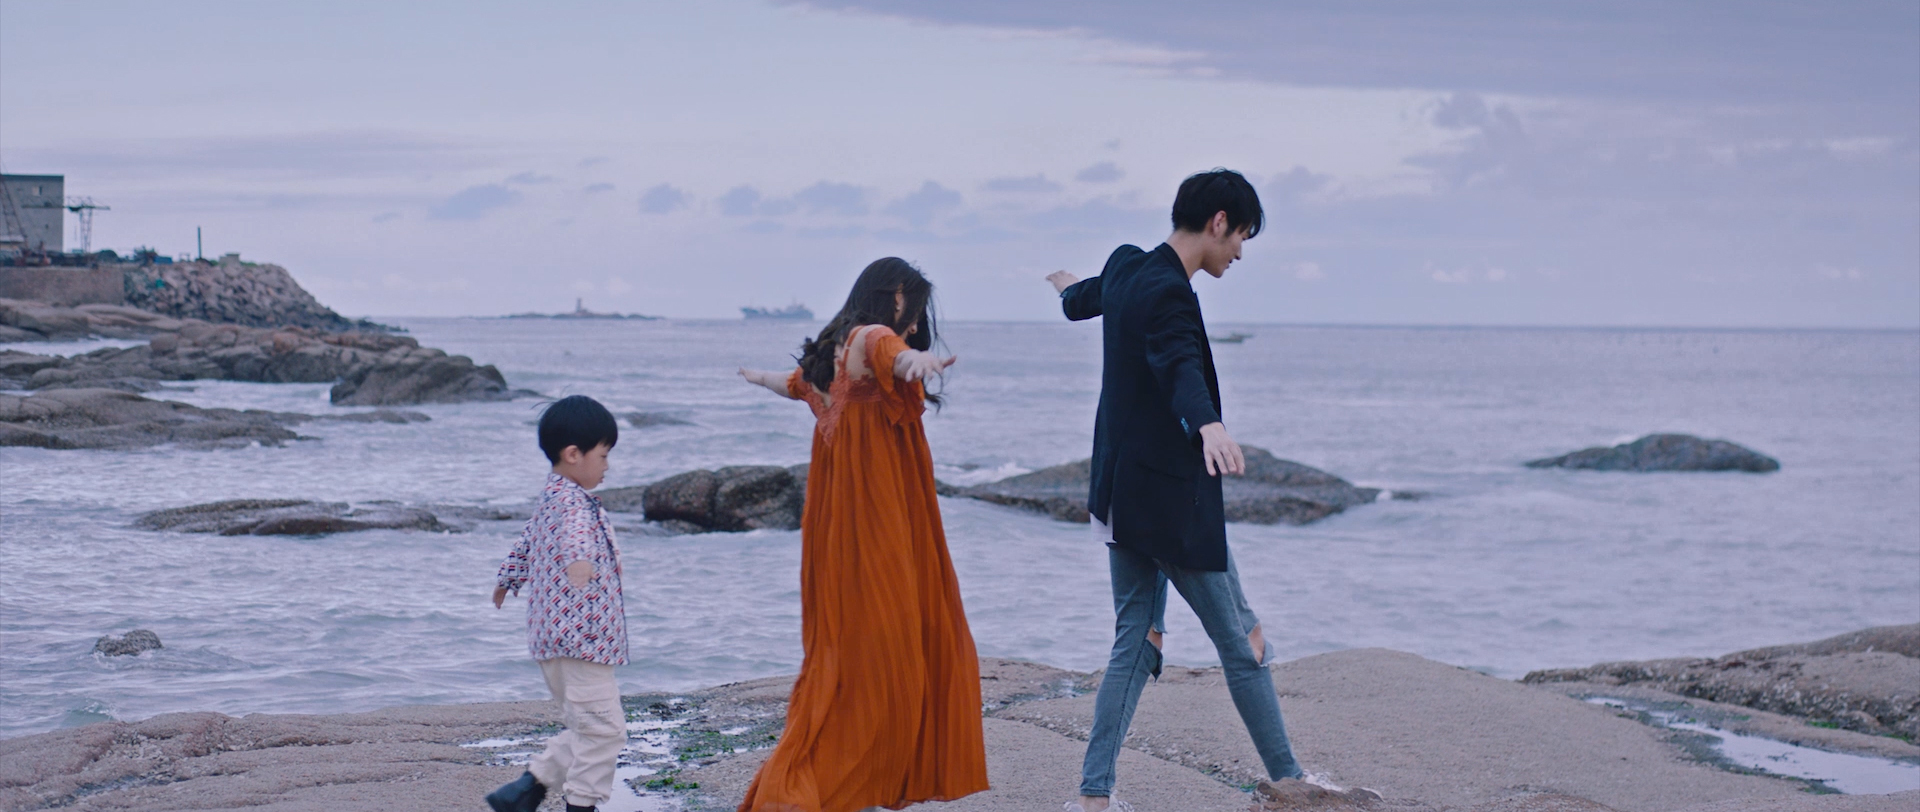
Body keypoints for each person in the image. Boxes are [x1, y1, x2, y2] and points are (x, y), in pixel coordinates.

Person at [1046, 169, 1342, 812]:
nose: (1240, 252)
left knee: (1137, 640)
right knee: (1242, 641)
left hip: (1120, 496)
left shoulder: (1127, 266)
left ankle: (1093, 797)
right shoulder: (1171, 293)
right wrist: (1208, 423)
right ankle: (1292, 782)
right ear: (1218, 222)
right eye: (1241, 237)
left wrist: (1065, 286)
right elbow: (1179, 362)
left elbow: (1084, 301)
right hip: (1171, 502)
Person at [735, 257, 988, 812]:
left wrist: (756, 377)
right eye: (914, 310)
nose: (916, 323)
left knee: (854, 645)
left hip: (843, 525)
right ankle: (853, 777)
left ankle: (864, 775)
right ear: (895, 295)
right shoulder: (872, 337)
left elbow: (792, 385)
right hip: (879, 520)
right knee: (894, 641)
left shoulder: (832, 357)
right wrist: (918, 360)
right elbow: (892, 352)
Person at [486, 395, 628, 812]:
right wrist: (580, 560)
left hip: (556, 642)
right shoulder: (572, 503)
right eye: (603, 455)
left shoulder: (551, 499)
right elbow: (575, 536)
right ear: (573, 454)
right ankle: (575, 804)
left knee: (588, 728)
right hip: (582, 640)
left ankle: (524, 791)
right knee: (603, 732)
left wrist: (507, 578)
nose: (607, 466)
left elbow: (527, 542)